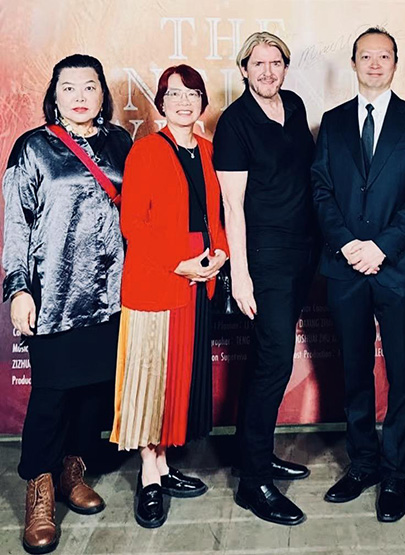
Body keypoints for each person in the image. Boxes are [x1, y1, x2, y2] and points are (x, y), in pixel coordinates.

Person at [2, 54, 132, 554]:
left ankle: (72, 473)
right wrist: (18, 288)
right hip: (53, 294)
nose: (80, 96)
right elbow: (17, 224)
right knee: (51, 395)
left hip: (111, 294)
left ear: (103, 94)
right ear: (54, 95)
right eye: (69, 87)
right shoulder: (33, 147)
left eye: (90, 86)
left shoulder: (121, 143)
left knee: (94, 392)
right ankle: (39, 492)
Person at [311, 27, 405, 523]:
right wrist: (348, 244)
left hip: (398, 268)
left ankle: (394, 474)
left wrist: (382, 246)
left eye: (384, 56)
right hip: (345, 269)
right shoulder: (333, 121)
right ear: (354, 63)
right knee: (354, 371)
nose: (375, 63)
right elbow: (320, 189)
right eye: (367, 56)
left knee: (403, 375)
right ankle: (362, 463)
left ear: (395, 63)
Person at [110, 65, 228, 529]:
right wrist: (181, 263)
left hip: (199, 281)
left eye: (192, 93)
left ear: (202, 103)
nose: (184, 102)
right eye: (174, 94)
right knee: (149, 378)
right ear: (161, 103)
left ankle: (163, 464)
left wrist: (220, 254)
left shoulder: (209, 150)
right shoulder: (145, 151)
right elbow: (133, 224)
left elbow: (216, 216)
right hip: (157, 281)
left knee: (176, 380)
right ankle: (148, 474)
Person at [213, 32, 317, 526]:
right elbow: (232, 206)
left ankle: (252, 453)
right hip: (264, 259)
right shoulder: (235, 123)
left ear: (285, 68)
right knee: (274, 363)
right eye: (258, 63)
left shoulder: (293, 107)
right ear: (244, 69)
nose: (268, 71)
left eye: (276, 62)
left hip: (302, 254)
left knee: (262, 359)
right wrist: (241, 274)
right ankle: (253, 483)